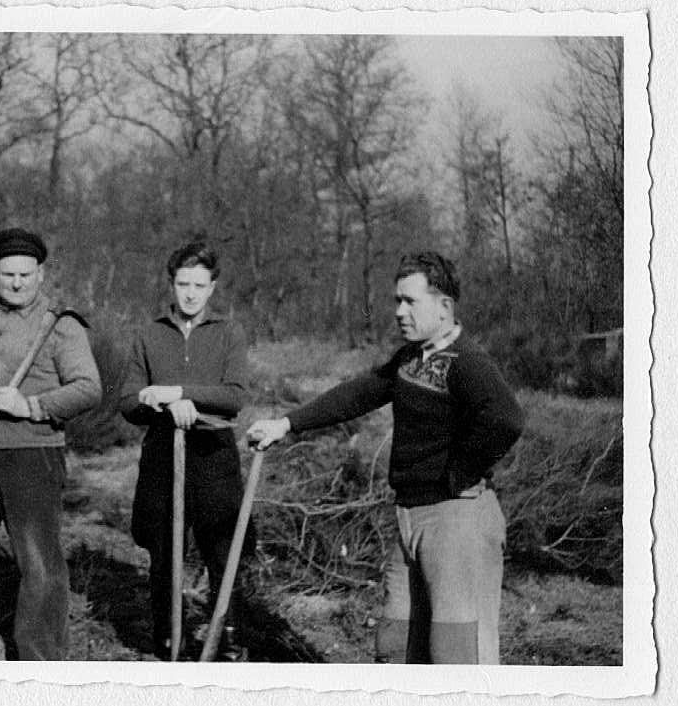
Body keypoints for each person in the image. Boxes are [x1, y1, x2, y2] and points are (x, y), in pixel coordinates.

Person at [247, 251, 524, 665]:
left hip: (457, 522)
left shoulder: (467, 363)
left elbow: (506, 419)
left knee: (458, 658)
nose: (399, 311)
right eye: (397, 300)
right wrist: (286, 424)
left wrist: (456, 474)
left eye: (410, 301)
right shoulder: (411, 359)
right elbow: (359, 393)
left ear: (444, 306)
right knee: (395, 648)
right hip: (408, 520)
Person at [0, 227, 102, 660]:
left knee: (38, 561)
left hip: (32, 455)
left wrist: (31, 406)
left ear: (41, 274)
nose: (16, 283)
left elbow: (88, 388)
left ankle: (40, 661)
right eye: (7, 274)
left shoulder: (61, 326)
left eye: (25, 275)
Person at [119, 241, 255, 661]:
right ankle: (167, 638)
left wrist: (181, 393)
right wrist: (155, 401)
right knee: (164, 551)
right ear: (171, 284)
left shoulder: (229, 332)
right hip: (163, 457)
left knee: (222, 550)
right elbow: (126, 401)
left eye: (199, 284)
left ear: (213, 287)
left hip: (214, 456)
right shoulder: (149, 333)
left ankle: (226, 638)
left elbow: (234, 397)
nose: (190, 293)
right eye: (183, 283)